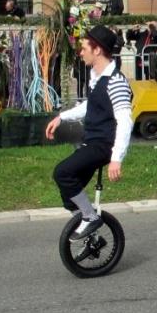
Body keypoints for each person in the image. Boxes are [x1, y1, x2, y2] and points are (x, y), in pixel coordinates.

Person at [45, 25, 133, 239]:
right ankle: (91, 233)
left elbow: (125, 121)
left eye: (84, 48)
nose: (80, 52)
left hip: (103, 145)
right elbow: (90, 106)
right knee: (70, 197)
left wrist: (116, 159)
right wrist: (61, 117)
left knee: (62, 172)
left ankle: (90, 217)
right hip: (92, 141)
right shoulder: (97, 77)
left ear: (97, 50)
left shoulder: (116, 82)